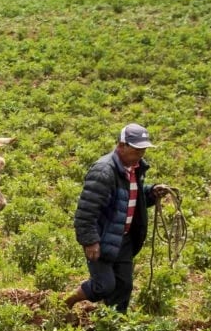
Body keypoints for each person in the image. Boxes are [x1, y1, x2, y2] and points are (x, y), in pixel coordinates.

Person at [65, 123, 169, 313]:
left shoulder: (134, 169)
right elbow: (86, 212)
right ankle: (70, 300)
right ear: (122, 146)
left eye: (143, 149)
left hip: (124, 239)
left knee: (124, 287)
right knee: (104, 286)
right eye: (137, 150)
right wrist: (90, 241)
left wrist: (152, 193)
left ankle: (113, 327)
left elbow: (129, 200)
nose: (141, 154)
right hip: (103, 238)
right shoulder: (103, 171)